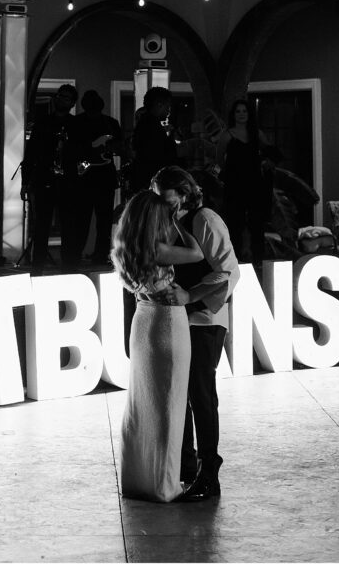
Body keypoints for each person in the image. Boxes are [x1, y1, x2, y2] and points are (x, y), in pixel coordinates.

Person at [152, 165, 240, 501]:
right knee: (180, 394)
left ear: (184, 192)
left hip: (205, 321)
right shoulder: (169, 220)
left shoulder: (206, 220)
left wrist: (191, 295)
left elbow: (229, 272)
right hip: (178, 319)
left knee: (200, 395)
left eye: (166, 195)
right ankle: (187, 467)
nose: (160, 201)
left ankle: (209, 472)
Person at [111, 189, 204, 503]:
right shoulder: (158, 249)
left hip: (142, 321)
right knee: (169, 407)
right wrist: (178, 223)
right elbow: (196, 253)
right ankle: (165, 485)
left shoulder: (128, 248)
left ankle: (138, 478)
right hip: (167, 324)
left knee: (142, 405)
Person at [20, 84, 80, 273]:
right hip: (44, 179)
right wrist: (25, 182)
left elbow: (81, 153)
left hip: (68, 182)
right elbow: (30, 154)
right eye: (59, 96)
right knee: (41, 226)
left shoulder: (76, 124)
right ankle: (37, 268)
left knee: (69, 226)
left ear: (72, 103)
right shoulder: (43, 122)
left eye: (66, 97)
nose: (61, 99)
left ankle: (69, 268)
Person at [215, 98, 275, 267]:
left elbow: (271, 152)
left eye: (244, 111)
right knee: (235, 224)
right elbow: (219, 159)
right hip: (235, 185)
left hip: (255, 184)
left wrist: (268, 163)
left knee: (257, 225)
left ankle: (258, 262)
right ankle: (235, 263)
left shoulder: (257, 133)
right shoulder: (227, 135)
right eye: (238, 111)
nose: (241, 114)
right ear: (233, 115)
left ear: (249, 114)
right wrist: (230, 174)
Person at [74, 90, 123, 265]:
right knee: (84, 219)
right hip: (87, 177)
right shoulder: (77, 123)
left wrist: (112, 148)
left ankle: (99, 255)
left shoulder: (110, 123)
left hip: (102, 177)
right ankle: (80, 254)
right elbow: (72, 149)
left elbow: (119, 146)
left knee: (102, 221)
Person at [129, 87, 178, 194]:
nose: (169, 110)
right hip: (150, 183)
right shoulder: (151, 126)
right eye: (168, 106)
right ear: (159, 104)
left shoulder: (145, 124)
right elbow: (159, 156)